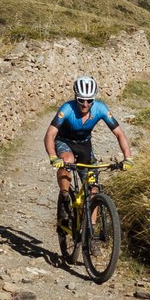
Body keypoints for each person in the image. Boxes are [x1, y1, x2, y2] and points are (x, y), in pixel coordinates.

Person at [45, 75, 132, 207]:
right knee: (68, 160)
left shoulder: (100, 109)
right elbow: (50, 134)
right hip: (64, 141)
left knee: (93, 189)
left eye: (89, 100)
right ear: (75, 97)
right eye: (81, 100)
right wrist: (53, 156)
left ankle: (90, 225)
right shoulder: (67, 108)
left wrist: (128, 157)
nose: (85, 104)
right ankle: (65, 197)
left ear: (94, 99)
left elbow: (119, 133)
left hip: (84, 144)